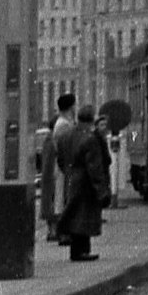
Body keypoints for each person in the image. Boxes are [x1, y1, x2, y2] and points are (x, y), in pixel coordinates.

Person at [58, 107, 111, 262]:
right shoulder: (90, 139)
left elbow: (60, 159)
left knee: (74, 213)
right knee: (84, 216)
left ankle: (77, 250)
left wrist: (68, 172)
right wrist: (102, 190)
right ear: (91, 121)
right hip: (85, 182)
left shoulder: (66, 135)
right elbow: (94, 167)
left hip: (71, 178)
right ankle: (82, 251)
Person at [43, 93, 78, 243]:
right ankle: (63, 232)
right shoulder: (64, 124)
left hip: (62, 166)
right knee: (62, 200)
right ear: (70, 107)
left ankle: (61, 230)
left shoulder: (63, 123)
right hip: (64, 167)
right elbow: (66, 147)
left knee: (61, 199)